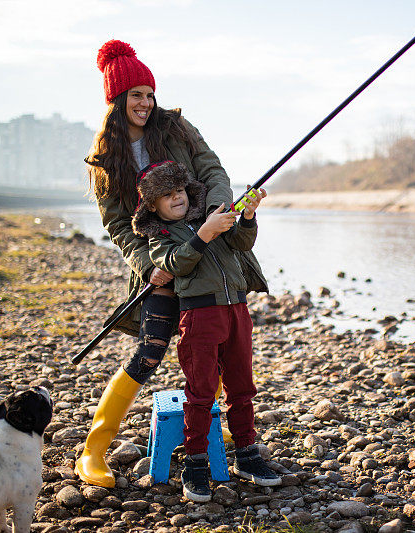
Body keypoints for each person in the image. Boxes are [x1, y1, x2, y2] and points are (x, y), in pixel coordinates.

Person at [76, 39, 234, 488]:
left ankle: (203, 432)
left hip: (204, 252)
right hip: (161, 261)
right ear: (117, 99)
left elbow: (213, 170)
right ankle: (92, 450)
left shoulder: (179, 128)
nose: (145, 102)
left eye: (150, 93)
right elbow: (117, 226)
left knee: (214, 348)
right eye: (136, 95)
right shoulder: (106, 156)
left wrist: (219, 212)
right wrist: (147, 266)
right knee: (149, 351)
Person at [131, 160, 280, 501]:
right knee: (200, 392)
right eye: (167, 195)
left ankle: (247, 455)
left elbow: (242, 244)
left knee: (242, 387)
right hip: (199, 316)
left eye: (180, 190)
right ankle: (195, 463)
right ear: (153, 205)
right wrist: (204, 234)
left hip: (237, 311)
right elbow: (178, 263)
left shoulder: (208, 218)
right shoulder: (160, 237)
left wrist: (247, 217)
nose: (177, 198)